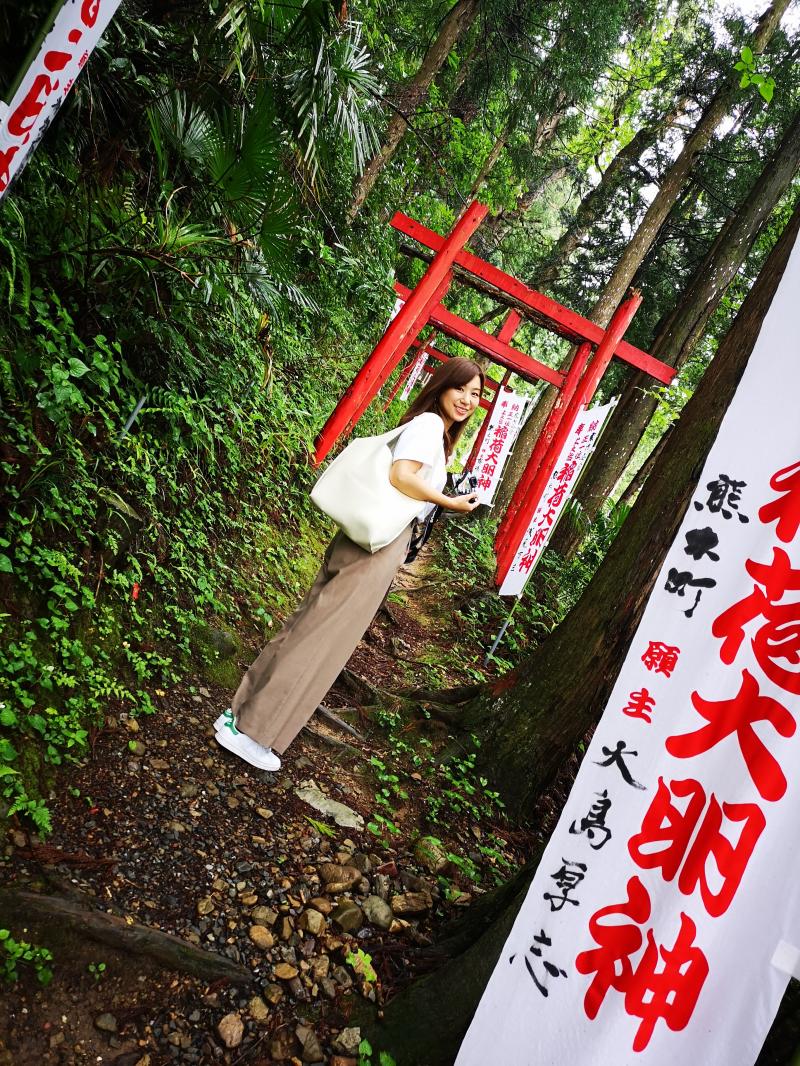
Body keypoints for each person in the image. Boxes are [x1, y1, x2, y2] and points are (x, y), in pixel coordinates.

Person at [213, 357, 484, 771]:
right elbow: (402, 476)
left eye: (475, 394)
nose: (467, 399)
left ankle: (241, 715)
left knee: (306, 624)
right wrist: (448, 501)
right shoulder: (429, 426)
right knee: (323, 639)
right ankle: (255, 733)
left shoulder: (431, 429)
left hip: (363, 534)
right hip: (378, 544)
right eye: (460, 389)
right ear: (442, 388)